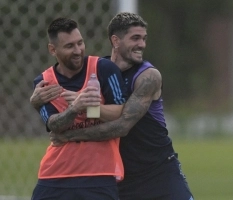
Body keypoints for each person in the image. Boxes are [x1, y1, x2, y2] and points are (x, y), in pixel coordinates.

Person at [31, 13, 194, 200]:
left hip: (158, 171)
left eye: (144, 38)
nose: (142, 44)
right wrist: (36, 102)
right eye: (135, 38)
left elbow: (122, 125)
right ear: (116, 41)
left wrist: (69, 135)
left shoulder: (148, 76)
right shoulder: (101, 72)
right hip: (120, 177)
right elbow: (89, 109)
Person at [30, 17, 128, 200]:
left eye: (80, 43)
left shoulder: (103, 69)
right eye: (69, 46)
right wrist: (74, 108)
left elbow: (119, 114)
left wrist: (90, 106)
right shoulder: (44, 83)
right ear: (53, 50)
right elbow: (54, 126)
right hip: (54, 175)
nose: (78, 51)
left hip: (99, 175)